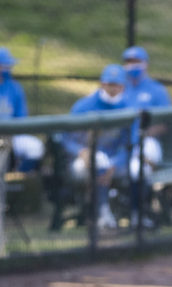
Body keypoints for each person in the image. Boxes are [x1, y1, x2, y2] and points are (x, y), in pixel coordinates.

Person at [59, 64, 132, 231]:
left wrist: (115, 164)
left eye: (117, 84)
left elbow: (129, 144)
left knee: (109, 165)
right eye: (109, 84)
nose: (113, 88)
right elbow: (66, 139)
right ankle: (102, 214)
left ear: (123, 86)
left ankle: (130, 215)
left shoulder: (128, 107)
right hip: (81, 163)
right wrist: (81, 151)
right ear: (102, 83)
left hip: (115, 162)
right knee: (98, 162)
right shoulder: (84, 106)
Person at [0, 46, 44, 173]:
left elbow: (21, 117)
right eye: (3, 66)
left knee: (35, 147)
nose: (7, 69)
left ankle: (16, 177)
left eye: (8, 66)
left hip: (11, 135)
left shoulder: (14, 87)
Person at [121, 45, 171, 179]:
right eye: (129, 62)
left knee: (138, 170)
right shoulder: (119, 87)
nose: (133, 65)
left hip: (148, 141)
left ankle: (139, 199)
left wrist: (141, 134)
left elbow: (164, 124)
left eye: (137, 61)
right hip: (120, 142)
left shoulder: (157, 90)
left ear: (146, 64)